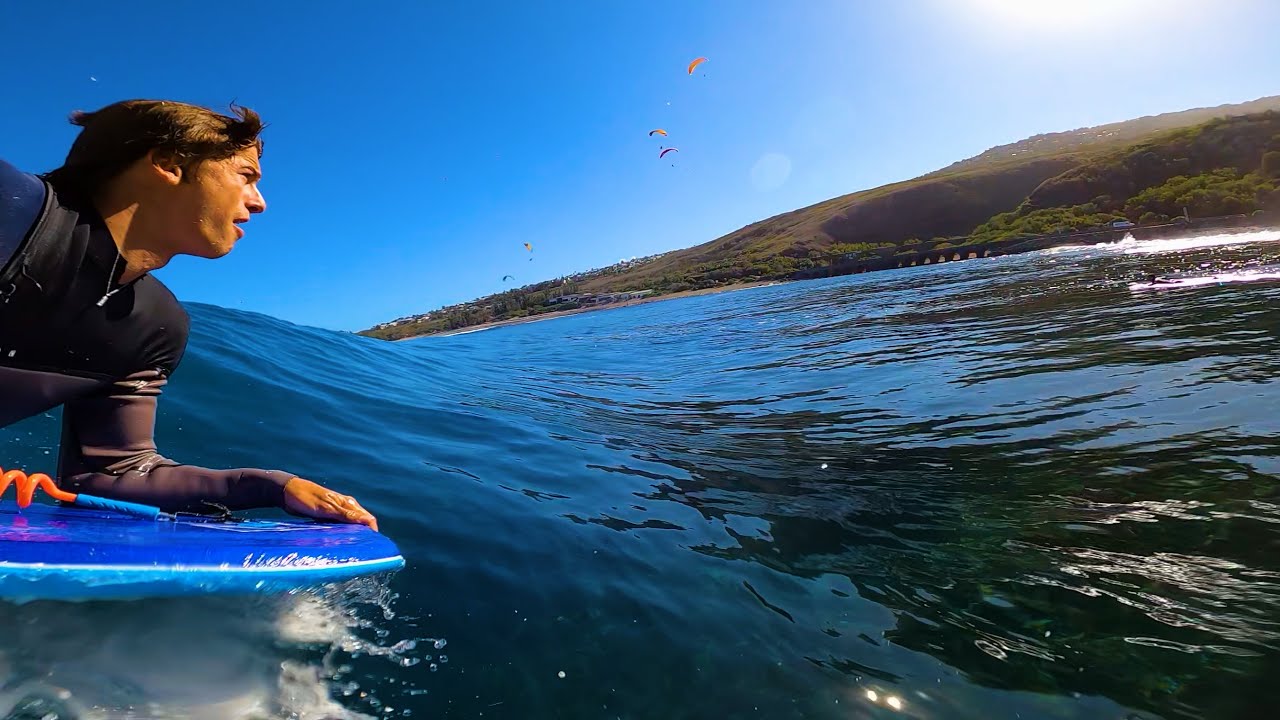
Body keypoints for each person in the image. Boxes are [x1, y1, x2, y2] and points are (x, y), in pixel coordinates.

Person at [0, 99, 377, 530]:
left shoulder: (151, 326)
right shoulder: (11, 209)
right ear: (169, 163)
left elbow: (110, 474)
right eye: (246, 176)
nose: (260, 203)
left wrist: (270, 486)